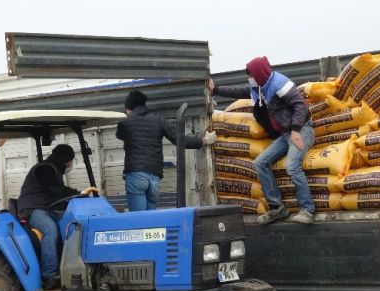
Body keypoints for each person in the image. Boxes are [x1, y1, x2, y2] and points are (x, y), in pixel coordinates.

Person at [208, 56, 316, 224]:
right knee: (260, 163)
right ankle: (277, 208)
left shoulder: (279, 84)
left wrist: (295, 131)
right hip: (285, 134)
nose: (249, 79)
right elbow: (240, 91)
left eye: (251, 75)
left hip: (302, 129)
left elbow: (300, 105)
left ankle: (307, 210)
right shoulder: (258, 87)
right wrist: (216, 90)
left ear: (259, 74)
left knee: (292, 166)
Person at [116, 90, 217, 211]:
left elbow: (120, 135)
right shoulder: (158, 120)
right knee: (151, 218)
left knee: (139, 219)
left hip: (136, 176)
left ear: (129, 107)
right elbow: (179, 139)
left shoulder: (125, 122)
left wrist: (127, 119)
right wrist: (204, 140)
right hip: (154, 177)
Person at [17, 144, 96, 290]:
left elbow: (56, 193)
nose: (71, 164)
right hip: (32, 208)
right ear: (65, 160)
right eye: (70, 161)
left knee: (70, 226)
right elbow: (56, 189)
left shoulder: (53, 170)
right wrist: (78, 193)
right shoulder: (45, 168)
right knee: (50, 229)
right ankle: (49, 275)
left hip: (47, 208)